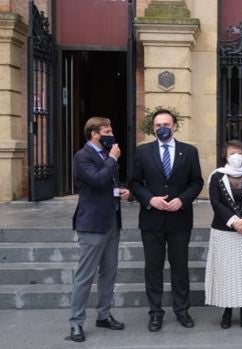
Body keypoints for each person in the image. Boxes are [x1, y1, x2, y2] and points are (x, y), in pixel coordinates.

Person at [129, 108, 204, 332]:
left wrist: (183, 200)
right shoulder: (143, 152)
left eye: (166, 124)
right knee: (153, 268)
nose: (162, 128)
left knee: (179, 267)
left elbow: (197, 183)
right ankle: (155, 313)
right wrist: (150, 199)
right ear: (153, 128)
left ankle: (182, 310)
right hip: (151, 220)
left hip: (179, 219)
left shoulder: (189, 152)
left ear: (174, 126)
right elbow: (134, 183)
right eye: (158, 125)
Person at [68, 117, 130, 342]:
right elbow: (96, 180)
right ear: (94, 133)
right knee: (85, 276)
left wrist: (121, 191)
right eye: (107, 130)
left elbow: (107, 184)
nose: (111, 133)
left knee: (109, 272)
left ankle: (103, 315)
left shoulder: (105, 155)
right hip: (92, 225)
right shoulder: (82, 156)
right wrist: (113, 159)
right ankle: (76, 322)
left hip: (112, 222)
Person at [205, 140, 242, 329]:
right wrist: (234, 222)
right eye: (231, 153)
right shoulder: (217, 177)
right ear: (225, 156)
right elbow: (216, 202)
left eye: (239, 152)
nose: (235, 156)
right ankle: (227, 311)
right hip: (224, 232)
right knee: (227, 273)